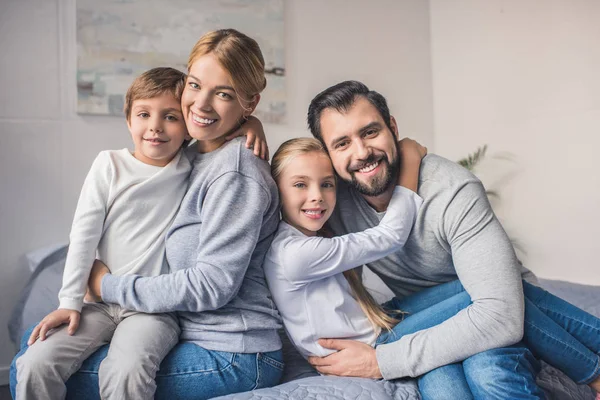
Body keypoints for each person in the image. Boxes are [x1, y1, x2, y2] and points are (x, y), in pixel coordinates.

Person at [11, 29, 282, 400]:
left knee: (67, 370)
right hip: (176, 324)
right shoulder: (188, 154)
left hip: (233, 348)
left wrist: (105, 285)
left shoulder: (234, 171)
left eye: (224, 93)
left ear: (249, 102)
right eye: (195, 85)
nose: (200, 105)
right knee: (34, 361)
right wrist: (247, 122)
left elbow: (213, 285)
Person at [302, 80, 598, 399]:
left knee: (488, 375)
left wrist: (383, 361)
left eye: (370, 132)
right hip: (425, 323)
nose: (361, 153)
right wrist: (249, 124)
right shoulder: (331, 200)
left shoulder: (453, 190)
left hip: (498, 310)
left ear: (392, 128)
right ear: (328, 155)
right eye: (342, 143)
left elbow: (500, 314)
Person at [14, 67, 192, 400]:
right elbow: (83, 236)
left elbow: (228, 131)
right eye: (144, 114)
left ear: (188, 128)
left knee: (124, 370)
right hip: (99, 304)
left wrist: (251, 124)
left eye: (171, 116)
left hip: (153, 311)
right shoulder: (109, 164)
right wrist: (69, 302)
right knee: (35, 362)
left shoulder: (192, 168)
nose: (155, 126)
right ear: (128, 121)